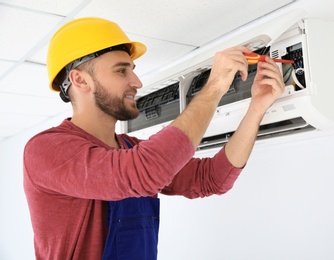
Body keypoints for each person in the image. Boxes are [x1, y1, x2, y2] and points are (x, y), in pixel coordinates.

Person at [23, 17, 284, 259]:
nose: (137, 82)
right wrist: (215, 85)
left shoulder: (129, 151)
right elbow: (142, 172)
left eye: (132, 70)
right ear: (80, 80)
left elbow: (212, 178)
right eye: (121, 71)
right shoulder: (46, 150)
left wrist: (256, 108)